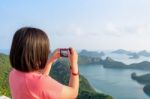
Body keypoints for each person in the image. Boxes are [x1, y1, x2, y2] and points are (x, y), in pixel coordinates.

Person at [9, 27, 79, 99]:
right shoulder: (40, 84)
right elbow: (73, 93)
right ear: (37, 54)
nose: (48, 52)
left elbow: (39, 81)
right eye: (45, 50)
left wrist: (51, 60)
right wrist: (74, 65)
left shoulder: (13, 73)